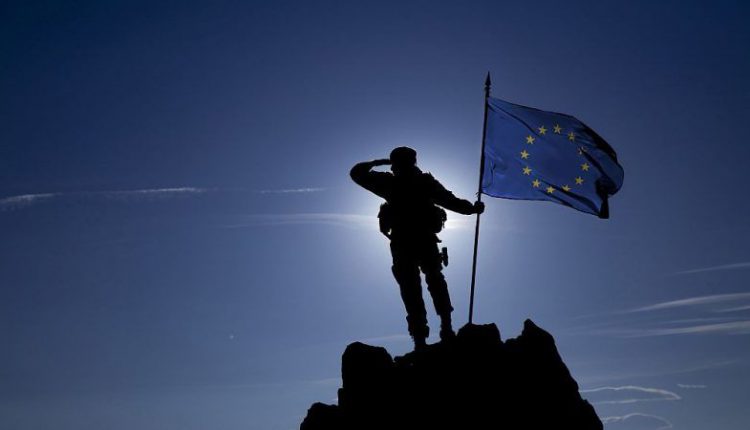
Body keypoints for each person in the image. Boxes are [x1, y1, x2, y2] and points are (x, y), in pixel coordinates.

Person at [350, 147, 484, 350]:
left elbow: (357, 173)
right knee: (423, 284)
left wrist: (471, 209)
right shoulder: (409, 182)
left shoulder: (395, 183)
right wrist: (471, 209)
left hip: (412, 240)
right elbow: (450, 200)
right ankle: (435, 331)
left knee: (419, 285)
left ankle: (432, 333)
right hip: (413, 240)